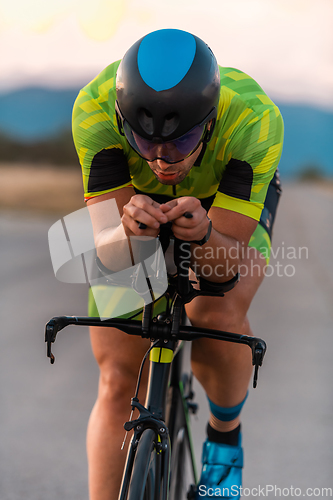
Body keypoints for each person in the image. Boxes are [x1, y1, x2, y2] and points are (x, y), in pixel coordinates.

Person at [72, 28, 283, 499]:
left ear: (208, 122)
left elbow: (222, 267)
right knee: (117, 379)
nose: (163, 160)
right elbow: (110, 251)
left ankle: (225, 436)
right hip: (135, 204)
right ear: (123, 120)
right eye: (144, 143)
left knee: (213, 311)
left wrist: (205, 234)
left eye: (181, 140)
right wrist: (126, 232)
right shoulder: (95, 108)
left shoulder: (254, 119)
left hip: (222, 206)